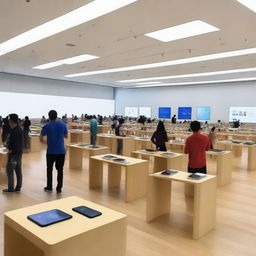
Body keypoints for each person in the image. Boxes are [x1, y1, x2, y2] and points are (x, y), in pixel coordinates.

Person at [40, 110, 68, 194]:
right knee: (60, 170)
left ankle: (49, 187)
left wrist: (46, 142)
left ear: (49, 117)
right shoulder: (63, 125)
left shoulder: (46, 126)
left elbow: (41, 137)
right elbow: (66, 136)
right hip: (61, 151)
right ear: (56, 116)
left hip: (51, 151)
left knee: (49, 169)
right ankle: (59, 188)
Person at [3, 114, 23, 193]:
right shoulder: (18, 129)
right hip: (18, 154)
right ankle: (18, 187)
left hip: (13, 155)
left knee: (10, 170)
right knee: (18, 170)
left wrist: (10, 150)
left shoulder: (15, 131)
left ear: (11, 121)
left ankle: (10, 188)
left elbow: (15, 144)